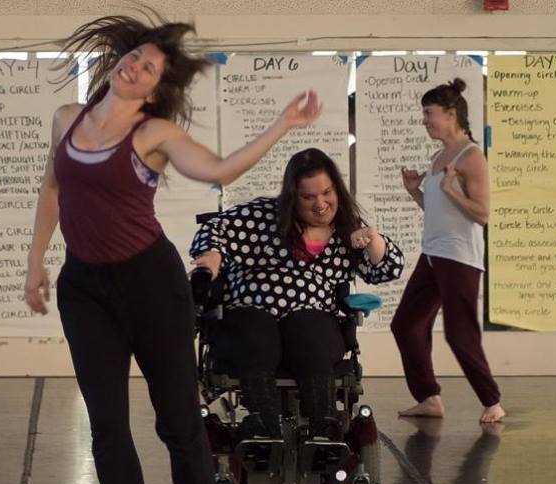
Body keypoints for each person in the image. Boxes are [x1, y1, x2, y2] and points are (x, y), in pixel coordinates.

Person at [23, 11, 322, 484]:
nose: (135, 66)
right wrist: (36, 261)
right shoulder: (67, 119)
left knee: (178, 421)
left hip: (152, 287)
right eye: (133, 57)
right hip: (85, 290)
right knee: (106, 426)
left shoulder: (153, 136)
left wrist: (283, 124)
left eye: (148, 67)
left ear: (156, 89)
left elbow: (220, 169)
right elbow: (53, 186)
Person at [190, 148, 404, 438]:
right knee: (256, 327)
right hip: (252, 313)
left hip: (312, 321)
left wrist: (372, 240)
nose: (321, 204)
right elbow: (213, 229)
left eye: (327, 193)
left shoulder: (346, 231)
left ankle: (324, 427)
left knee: (309, 325)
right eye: (308, 197)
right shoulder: (263, 216)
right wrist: (212, 256)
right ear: (292, 197)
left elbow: (387, 269)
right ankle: (265, 424)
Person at [391, 78, 505, 424]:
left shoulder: (471, 157)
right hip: (433, 254)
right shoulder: (440, 156)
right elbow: (439, 211)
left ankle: (492, 403)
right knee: (406, 324)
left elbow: (482, 214)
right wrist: (415, 192)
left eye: (429, 113)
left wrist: (450, 189)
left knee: (459, 333)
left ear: (451, 114)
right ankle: (429, 397)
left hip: (459, 258)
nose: (425, 120)